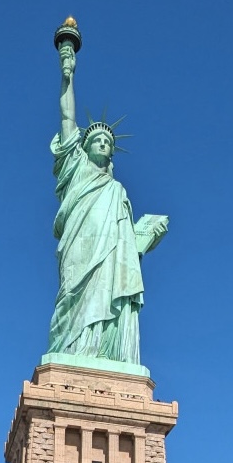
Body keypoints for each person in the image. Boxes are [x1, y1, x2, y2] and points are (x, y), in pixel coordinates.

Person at [49, 30, 167, 366]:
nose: (103, 143)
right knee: (75, 292)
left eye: (107, 142)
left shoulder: (117, 191)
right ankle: (74, 351)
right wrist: (67, 72)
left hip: (110, 258)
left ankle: (106, 352)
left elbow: (127, 244)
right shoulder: (75, 169)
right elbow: (67, 118)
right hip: (80, 247)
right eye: (96, 139)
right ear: (83, 148)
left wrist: (145, 235)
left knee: (109, 291)